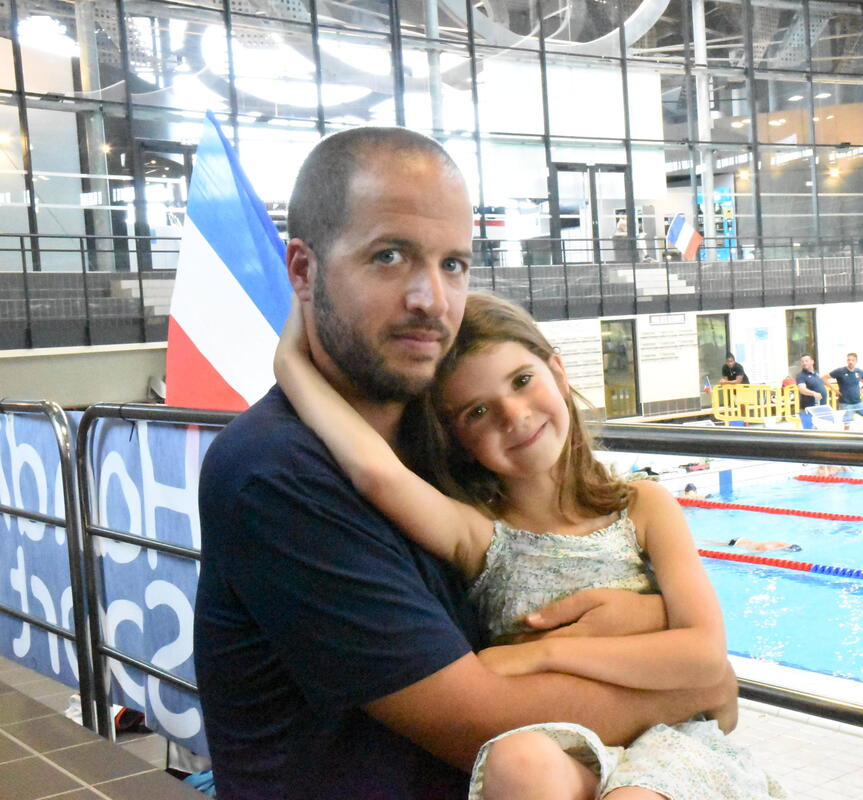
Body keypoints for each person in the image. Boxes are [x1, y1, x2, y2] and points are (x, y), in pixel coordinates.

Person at [194, 128, 734, 800]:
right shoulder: (274, 471)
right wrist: (696, 686)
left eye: (453, 264)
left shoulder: (438, 446)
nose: (430, 298)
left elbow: (540, 590)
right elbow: (476, 721)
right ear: (302, 272)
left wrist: (644, 621)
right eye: (388, 257)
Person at [276, 291, 782, 800]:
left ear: (558, 373)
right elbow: (376, 474)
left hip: (674, 742)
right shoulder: (477, 533)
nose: (513, 415)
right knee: (516, 760)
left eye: (521, 381)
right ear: (457, 440)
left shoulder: (644, 508)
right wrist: (290, 365)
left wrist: (546, 654)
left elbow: (702, 656)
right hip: (572, 744)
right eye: (477, 411)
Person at [824, 352, 863, 429]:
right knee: (847, 424)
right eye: (849, 360)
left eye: (853, 360)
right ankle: (845, 439)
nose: (850, 362)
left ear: (856, 361)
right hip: (846, 404)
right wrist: (834, 389)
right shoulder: (840, 371)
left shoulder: (858, 371)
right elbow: (824, 378)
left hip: (858, 402)